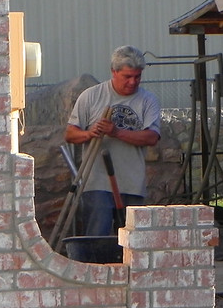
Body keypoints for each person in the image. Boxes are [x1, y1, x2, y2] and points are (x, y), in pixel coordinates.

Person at [65, 45, 161, 236]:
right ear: (113, 72)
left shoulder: (148, 100)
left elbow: (151, 137)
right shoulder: (91, 96)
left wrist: (116, 132)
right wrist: (90, 134)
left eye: (137, 76)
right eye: (127, 76)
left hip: (132, 183)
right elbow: (70, 134)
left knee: (132, 240)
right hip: (97, 183)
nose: (133, 82)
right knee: (97, 236)